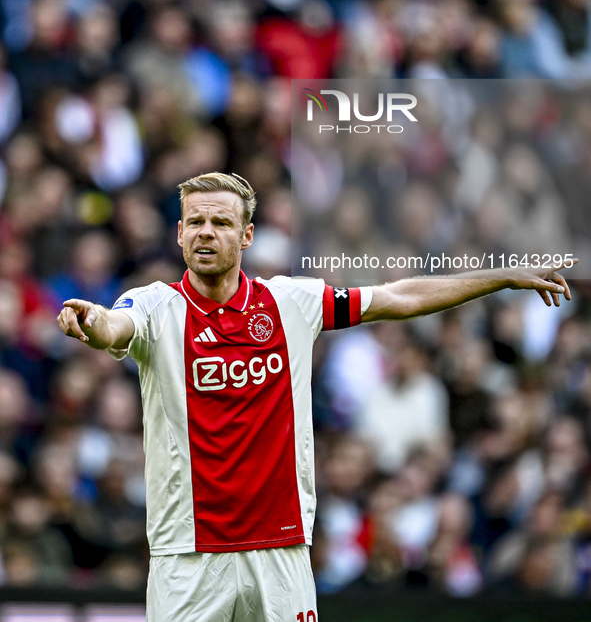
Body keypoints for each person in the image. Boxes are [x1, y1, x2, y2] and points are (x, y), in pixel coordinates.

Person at [56, 172, 575, 622]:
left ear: (247, 234)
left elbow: (395, 298)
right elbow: (114, 325)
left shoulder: (291, 302)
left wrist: (497, 277)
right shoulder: (155, 306)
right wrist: (91, 321)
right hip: (188, 554)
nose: (206, 233)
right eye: (195, 223)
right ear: (179, 233)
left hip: (280, 547)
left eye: (219, 223)